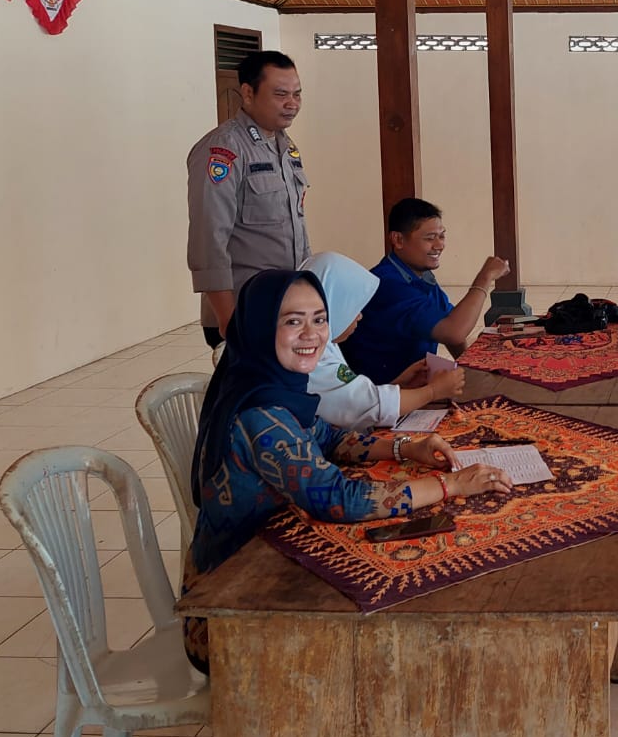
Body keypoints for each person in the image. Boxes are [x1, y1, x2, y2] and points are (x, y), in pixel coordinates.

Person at [182, 269, 511, 671]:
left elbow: (330, 438)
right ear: (259, 326)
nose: (312, 334)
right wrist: (452, 484)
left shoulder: (269, 382)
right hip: (231, 616)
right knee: (394, 639)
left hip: (269, 563)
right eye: (292, 321)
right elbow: (339, 499)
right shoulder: (261, 415)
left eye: (319, 319)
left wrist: (407, 447)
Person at [186, 50, 310, 348]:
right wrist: (228, 319)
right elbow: (209, 238)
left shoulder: (285, 147)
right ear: (248, 93)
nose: (292, 103)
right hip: (244, 310)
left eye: (296, 94)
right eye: (280, 94)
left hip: (285, 304)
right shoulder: (224, 149)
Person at [341, 198, 511, 384]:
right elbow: (454, 331)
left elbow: (450, 324)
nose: (439, 245)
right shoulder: (388, 285)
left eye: (442, 236)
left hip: (416, 380)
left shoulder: (420, 276)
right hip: (383, 390)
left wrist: (470, 370)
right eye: (430, 238)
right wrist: (485, 277)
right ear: (398, 240)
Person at [301, 252, 467, 430]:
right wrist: (432, 391)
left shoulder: (326, 345)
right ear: (334, 305)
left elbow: (354, 399)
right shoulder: (312, 358)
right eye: (353, 307)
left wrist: (400, 384)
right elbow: (366, 407)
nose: (359, 316)